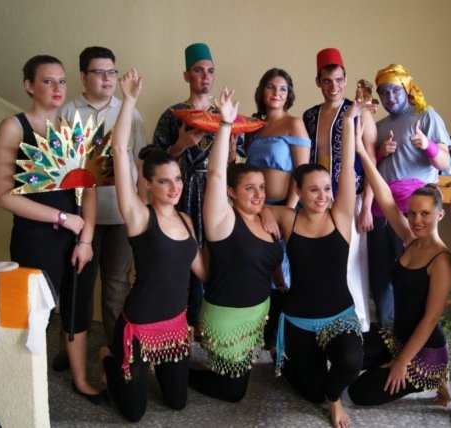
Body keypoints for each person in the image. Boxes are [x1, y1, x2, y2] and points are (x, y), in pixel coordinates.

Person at [0, 55, 104, 403]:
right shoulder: (14, 127)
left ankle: (80, 378)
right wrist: (61, 218)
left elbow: (89, 189)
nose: (57, 88)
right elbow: (2, 195)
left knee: (76, 306)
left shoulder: (72, 129)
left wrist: (86, 239)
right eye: (47, 81)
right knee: (33, 314)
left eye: (62, 81)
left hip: (78, 237)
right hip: (36, 238)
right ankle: (25, 388)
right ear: (29, 86)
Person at [98, 69, 206, 421]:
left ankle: (156, 367)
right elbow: (119, 149)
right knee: (134, 413)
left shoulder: (186, 220)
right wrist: (128, 100)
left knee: (177, 402)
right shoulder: (139, 217)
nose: (174, 188)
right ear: (147, 184)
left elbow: (203, 271)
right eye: (164, 182)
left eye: (177, 179)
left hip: (175, 328)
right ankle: (107, 358)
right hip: (139, 329)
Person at [264, 100, 377, 428]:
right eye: (313, 190)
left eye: (326, 189)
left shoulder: (340, 216)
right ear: (298, 191)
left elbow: (346, 167)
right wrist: (266, 214)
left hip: (339, 316)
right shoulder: (287, 218)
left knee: (350, 363)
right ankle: (281, 355)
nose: (323, 196)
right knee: (311, 392)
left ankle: (334, 399)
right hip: (298, 319)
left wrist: (349, 120)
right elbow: (251, 205)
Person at [346, 127, 451, 407]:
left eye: (425, 214)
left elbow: (430, 319)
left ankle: (440, 374)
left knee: (359, 393)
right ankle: (395, 361)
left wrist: (402, 363)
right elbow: (385, 197)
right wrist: (362, 150)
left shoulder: (441, 261)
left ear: (440, 214)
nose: (417, 220)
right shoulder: (410, 239)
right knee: (349, 355)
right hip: (398, 337)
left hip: (425, 352)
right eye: (412, 213)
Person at [188, 87, 283, 403]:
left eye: (262, 188)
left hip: (257, 315)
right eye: (249, 188)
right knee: (233, 392)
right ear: (231, 192)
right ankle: (176, 371)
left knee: (237, 379)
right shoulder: (222, 221)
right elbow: (216, 175)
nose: (258, 195)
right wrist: (225, 125)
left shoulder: (267, 219)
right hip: (226, 319)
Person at [57, 46, 147, 366]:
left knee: (116, 285)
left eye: (112, 72)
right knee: (78, 284)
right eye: (99, 72)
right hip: (81, 217)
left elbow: (141, 162)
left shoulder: (129, 111)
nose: (107, 79)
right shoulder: (67, 112)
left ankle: (118, 351)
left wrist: (142, 207)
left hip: (122, 215)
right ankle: (72, 351)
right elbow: (58, 168)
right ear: (84, 77)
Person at [152, 43, 244, 333]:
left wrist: (232, 153)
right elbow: (154, 162)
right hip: (181, 195)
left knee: (218, 252)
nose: (205, 76)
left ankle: (214, 324)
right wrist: (180, 146)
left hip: (217, 196)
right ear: (186, 75)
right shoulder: (173, 115)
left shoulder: (225, 114)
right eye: (198, 70)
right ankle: (182, 323)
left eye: (210, 71)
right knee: (182, 254)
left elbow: (239, 164)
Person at [368, 63, 451, 328]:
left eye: (394, 90)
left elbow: (444, 162)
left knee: (411, 272)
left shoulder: (426, 116)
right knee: (380, 273)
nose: (389, 97)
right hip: (380, 207)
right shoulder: (380, 126)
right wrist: (380, 151)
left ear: (406, 88)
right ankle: (386, 329)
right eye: (383, 92)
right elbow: (371, 167)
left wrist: (427, 145)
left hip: (412, 209)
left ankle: (413, 329)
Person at [302, 48, 377, 333]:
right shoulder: (310, 116)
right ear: (318, 82)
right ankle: (325, 323)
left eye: (338, 80)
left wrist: (367, 206)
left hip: (350, 199)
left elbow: (371, 160)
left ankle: (358, 326)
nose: (333, 86)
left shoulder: (359, 113)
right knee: (322, 261)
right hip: (316, 201)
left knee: (352, 264)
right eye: (326, 81)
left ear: (345, 81)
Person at [245, 68, 311, 351]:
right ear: (262, 91)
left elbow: (302, 172)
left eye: (283, 89)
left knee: (282, 273)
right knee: (258, 269)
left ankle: (279, 342)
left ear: (289, 94)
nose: (276, 93)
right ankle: (257, 332)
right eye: (271, 87)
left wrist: (288, 212)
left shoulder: (294, 124)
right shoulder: (253, 127)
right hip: (255, 210)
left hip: (284, 208)